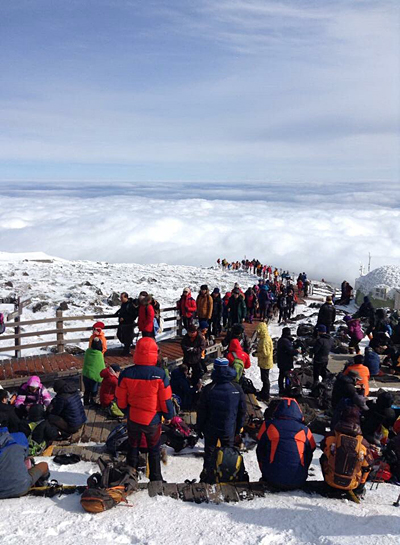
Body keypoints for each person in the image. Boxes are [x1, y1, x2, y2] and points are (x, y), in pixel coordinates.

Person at [116, 337, 174, 481]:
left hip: (134, 417)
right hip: (152, 419)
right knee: (154, 449)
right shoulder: (160, 374)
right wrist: (168, 415)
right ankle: (155, 478)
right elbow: (165, 399)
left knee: (133, 446)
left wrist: (126, 411)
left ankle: (130, 475)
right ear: (155, 352)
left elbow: (120, 399)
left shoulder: (126, 373)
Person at [196, 357, 246, 483]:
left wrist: (199, 427)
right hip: (229, 427)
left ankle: (208, 477)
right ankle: (227, 477)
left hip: (211, 427)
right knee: (228, 453)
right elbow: (242, 411)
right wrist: (238, 428)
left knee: (209, 454)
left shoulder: (209, 389)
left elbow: (202, 411)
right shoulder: (236, 388)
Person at [256, 398, 316, 490]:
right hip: (298, 480)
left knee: (263, 448)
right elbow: (312, 448)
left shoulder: (268, 425)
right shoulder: (305, 430)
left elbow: (260, 447)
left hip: (272, 478)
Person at [320, 405, 373, 499]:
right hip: (352, 484)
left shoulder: (332, 436)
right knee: (366, 467)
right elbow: (369, 463)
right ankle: (359, 489)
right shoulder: (363, 443)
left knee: (323, 457)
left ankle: (329, 481)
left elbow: (322, 446)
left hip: (331, 481)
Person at [0, 427, 50, 499]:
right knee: (44, 465)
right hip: (21, 487)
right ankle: (42, 482)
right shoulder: (19, 437)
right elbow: (25, 457)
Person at [255, 322, 274, 401]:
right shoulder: (265, 338)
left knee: (265, 379)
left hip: (265, 362)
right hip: (266, 362)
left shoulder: (264, 341)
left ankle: (265, 395)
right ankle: (264, 392)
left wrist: (256, 354)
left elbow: (265, 353)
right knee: (264, 378)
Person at [277, 328, 298, 394]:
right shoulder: (286, 341)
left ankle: (281, 389)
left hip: (281, 361)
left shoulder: (281, 340)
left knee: (281, 375)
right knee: (287, 376)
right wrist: (297, 351)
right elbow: (291, 351)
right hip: (286, 362)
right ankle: (287, 389)